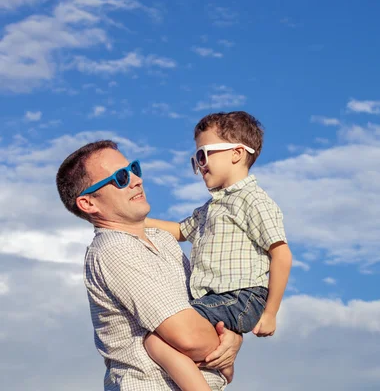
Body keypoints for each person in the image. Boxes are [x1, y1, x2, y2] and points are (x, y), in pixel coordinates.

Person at [55, 140, 243, 391]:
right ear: (89, 203)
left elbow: (207, 307)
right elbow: (190, 338)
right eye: (121, 177)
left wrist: (233, 336)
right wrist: (225, 339)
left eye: (134, 168)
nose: (136, 180)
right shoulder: (114, 249)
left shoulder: (162, 239)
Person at [144, 111, 293, 391]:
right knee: (172, 332)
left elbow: (282, 254)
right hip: (215, 298)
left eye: (203, 155)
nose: (199, 165)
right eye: (195, 159)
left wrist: (270, 313)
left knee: (160, 336)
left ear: (237, 153)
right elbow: (179, 231)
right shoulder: (211, 208)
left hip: (242, 295)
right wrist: (137, 222)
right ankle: (223, 362)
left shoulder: (254, 200)